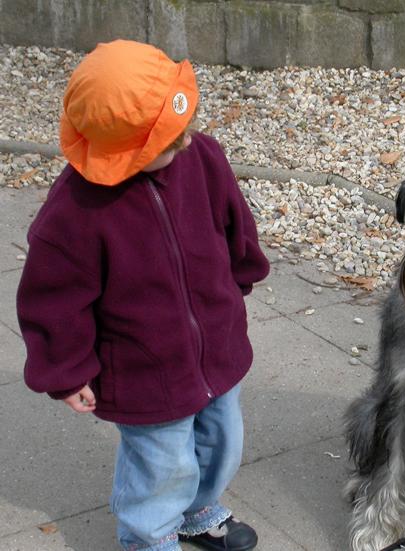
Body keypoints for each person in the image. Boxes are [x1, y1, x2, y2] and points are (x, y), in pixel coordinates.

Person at [16, 39, 269, 551]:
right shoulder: (77, 211)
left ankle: (199, 510)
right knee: (160, 462)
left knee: (222, 440)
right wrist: (65, 372)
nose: (182, 145)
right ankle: (148, 536)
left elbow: (233, 221)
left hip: (215, 344)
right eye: (164, 143)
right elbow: (53, 298)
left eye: (182, 130)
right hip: (143, 365)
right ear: (120, 152)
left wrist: (241, 273)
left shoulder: (201, 156)